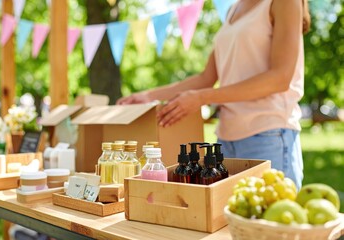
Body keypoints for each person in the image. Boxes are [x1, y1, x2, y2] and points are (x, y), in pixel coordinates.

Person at [117, 0, 311, 189]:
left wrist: (201, 98)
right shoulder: (234, 9)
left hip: (269, 134)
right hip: (226, 139)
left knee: (269, 218)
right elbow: (206, 78)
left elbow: (280, 78)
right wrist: (150, 95)